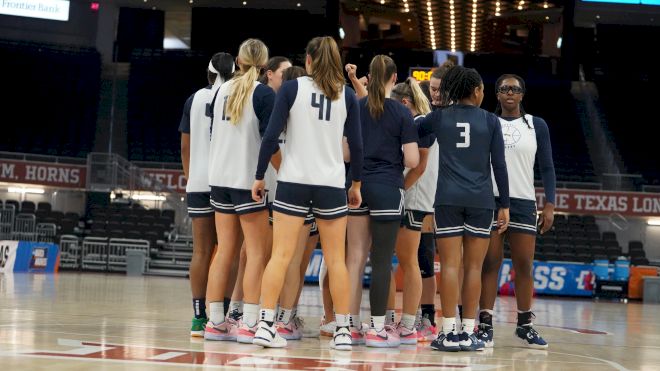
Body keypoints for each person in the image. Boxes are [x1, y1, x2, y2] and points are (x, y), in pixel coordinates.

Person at [251, 36, 363, 351]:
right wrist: (356, 184)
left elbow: (270, 135)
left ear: (309, 61)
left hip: (292, 181)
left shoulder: (291, 88)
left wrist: (260, 175)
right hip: (330, 184)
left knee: (281, 256)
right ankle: (342, 330)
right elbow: (357, 146)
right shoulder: (348, 96)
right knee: (336, 261)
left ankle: (265, 324)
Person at [416, 65, 510, 352]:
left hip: (447, 199)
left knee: (450, 266)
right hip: (481, 201)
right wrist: (504, 204)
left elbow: (412, 131)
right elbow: (499, 165)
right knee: (473, 267)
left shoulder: (440, 117)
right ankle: (469, 332)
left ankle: (447, 332)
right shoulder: (491, 121)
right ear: (478, 91)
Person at [346, 55, 420, 348]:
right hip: (388, 188)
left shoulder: (356, 106)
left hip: (357, 187)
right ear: (394, 78)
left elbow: (346, 154)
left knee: (354, 259)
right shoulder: (401, 112)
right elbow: (413, 159)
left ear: (370, 76)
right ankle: (377, 329)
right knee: (380, 261)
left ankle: (348, 326)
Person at [204, 39, 275, 343]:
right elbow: (270, 142)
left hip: (219, 178)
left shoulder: (220, 90)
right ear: (264, 64)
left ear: (238, 59)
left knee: (224, 252)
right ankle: (248, 323)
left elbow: (212, 133)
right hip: (248, 180)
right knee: (257, 253)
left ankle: (215, 322)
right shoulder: (263, 93)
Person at [478, 74, 556, 349]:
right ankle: (484, 323)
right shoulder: (486, 122)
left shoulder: (537, 125)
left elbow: (546, 167)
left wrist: (550, 204)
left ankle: (525, 325)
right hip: (491, 199)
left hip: (523, 202)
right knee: (490, 263)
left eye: (515, 89)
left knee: (524, 265)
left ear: (522, 94)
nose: (509, 93)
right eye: (503, 89)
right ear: (497, 94)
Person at [179, 52, 235, 337]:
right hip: (226, 182)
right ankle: (222, 315)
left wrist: (191, 178)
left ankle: (199, 318)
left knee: (201, 251)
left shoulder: (194, 99)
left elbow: (185, 147)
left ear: (208, 73)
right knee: (229, 251)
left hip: (199, 183)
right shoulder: (234, 95)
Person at [389, 77, 436, 344]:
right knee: (412, 262)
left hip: (414, 198)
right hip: (418, 199)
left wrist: (399, 189)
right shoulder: (422, 121)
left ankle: (410, 322)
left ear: (405, 103)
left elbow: (419, 166)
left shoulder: (418, 123)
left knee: (411, 263)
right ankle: (412, 319)